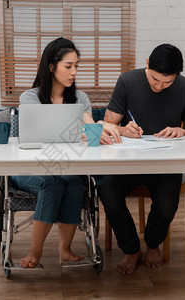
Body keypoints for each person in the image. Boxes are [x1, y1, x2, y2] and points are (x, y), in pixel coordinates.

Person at [12, 37, 120, 268]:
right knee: (52, 183)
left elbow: (90, 129)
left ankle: (65, 250)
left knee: (73, 184)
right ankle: (35, 250)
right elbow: (40, 135)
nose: (74, 72)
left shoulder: (79, 99)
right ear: (52, 67)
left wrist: (99, 129)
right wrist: (84, 131)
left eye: (77, 66)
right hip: (30, 167)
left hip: (65, 167)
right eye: (68, 66)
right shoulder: (30, 97)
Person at [99, 43, 185, 274]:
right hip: (126, 162)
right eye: (155, 80)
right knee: (107, 191)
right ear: (147, 64)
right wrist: (124, 130)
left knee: (167, 204)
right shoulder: (127, 81)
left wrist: (182, 131)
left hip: (165, 164)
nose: (159, 86)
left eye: (167, 82)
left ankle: (153, 244)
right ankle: (131, 248)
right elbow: (108, 125)